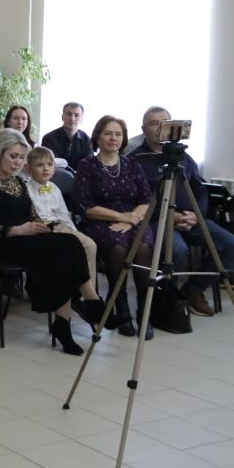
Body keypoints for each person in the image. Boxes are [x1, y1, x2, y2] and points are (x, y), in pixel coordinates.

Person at [0, 129, 106, 355]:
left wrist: (43, 227)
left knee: (68, 246)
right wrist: (19, 229)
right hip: (2, 244)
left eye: (21, 157)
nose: (18, 162)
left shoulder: (18, 182)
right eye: (13, 156)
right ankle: (91, 304)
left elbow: (33, 216)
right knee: (67, 247)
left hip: (27, 239)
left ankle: (65, 322)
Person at [130, 106, 234, 317]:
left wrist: (196, 215)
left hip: (191, 219)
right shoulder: (136, 160)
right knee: (178, 251)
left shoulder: (182, 157)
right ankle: (168, 301)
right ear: (143, 129)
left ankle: (194, 289)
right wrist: (169, 216)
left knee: (231, 244)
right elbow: (137, 201)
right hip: (157, 220)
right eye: (154, 124)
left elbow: (199, 190)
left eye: (164, 123)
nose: (159, 128)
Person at [75, 115, 155, 339]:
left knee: (142, 247)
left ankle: (144, 312)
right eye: (108, 133)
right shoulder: (87, 166)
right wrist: (121, 216)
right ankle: (121, 308)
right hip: (100, 221)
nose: (113, 138)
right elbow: (85, 206)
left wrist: (131, 219)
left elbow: (146, 199)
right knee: (118, 249)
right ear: (98, 137)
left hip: (134, 219)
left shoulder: (132, 164)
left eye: (118, 134)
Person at [26, 147, 97, 290]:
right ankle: (65, 290)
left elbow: (64, 215)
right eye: (39, 165)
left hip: (60, 226)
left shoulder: (54, 188)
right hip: (42, 229)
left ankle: (88, 292)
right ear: (28, 169)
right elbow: (31, 218)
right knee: (68, 249)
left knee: (90, 245)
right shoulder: (26, 190)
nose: (46, 168)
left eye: (49, 164)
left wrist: (74, 232)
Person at [41, 102, 93, 171]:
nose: (72, 118)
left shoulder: (88, 141)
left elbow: (88, 166)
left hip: (81, 176)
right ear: (62, 117)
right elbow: (51, 164)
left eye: (76, 115)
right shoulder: (49, 138)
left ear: (81, 119)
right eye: (69, 114)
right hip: (56, 175)